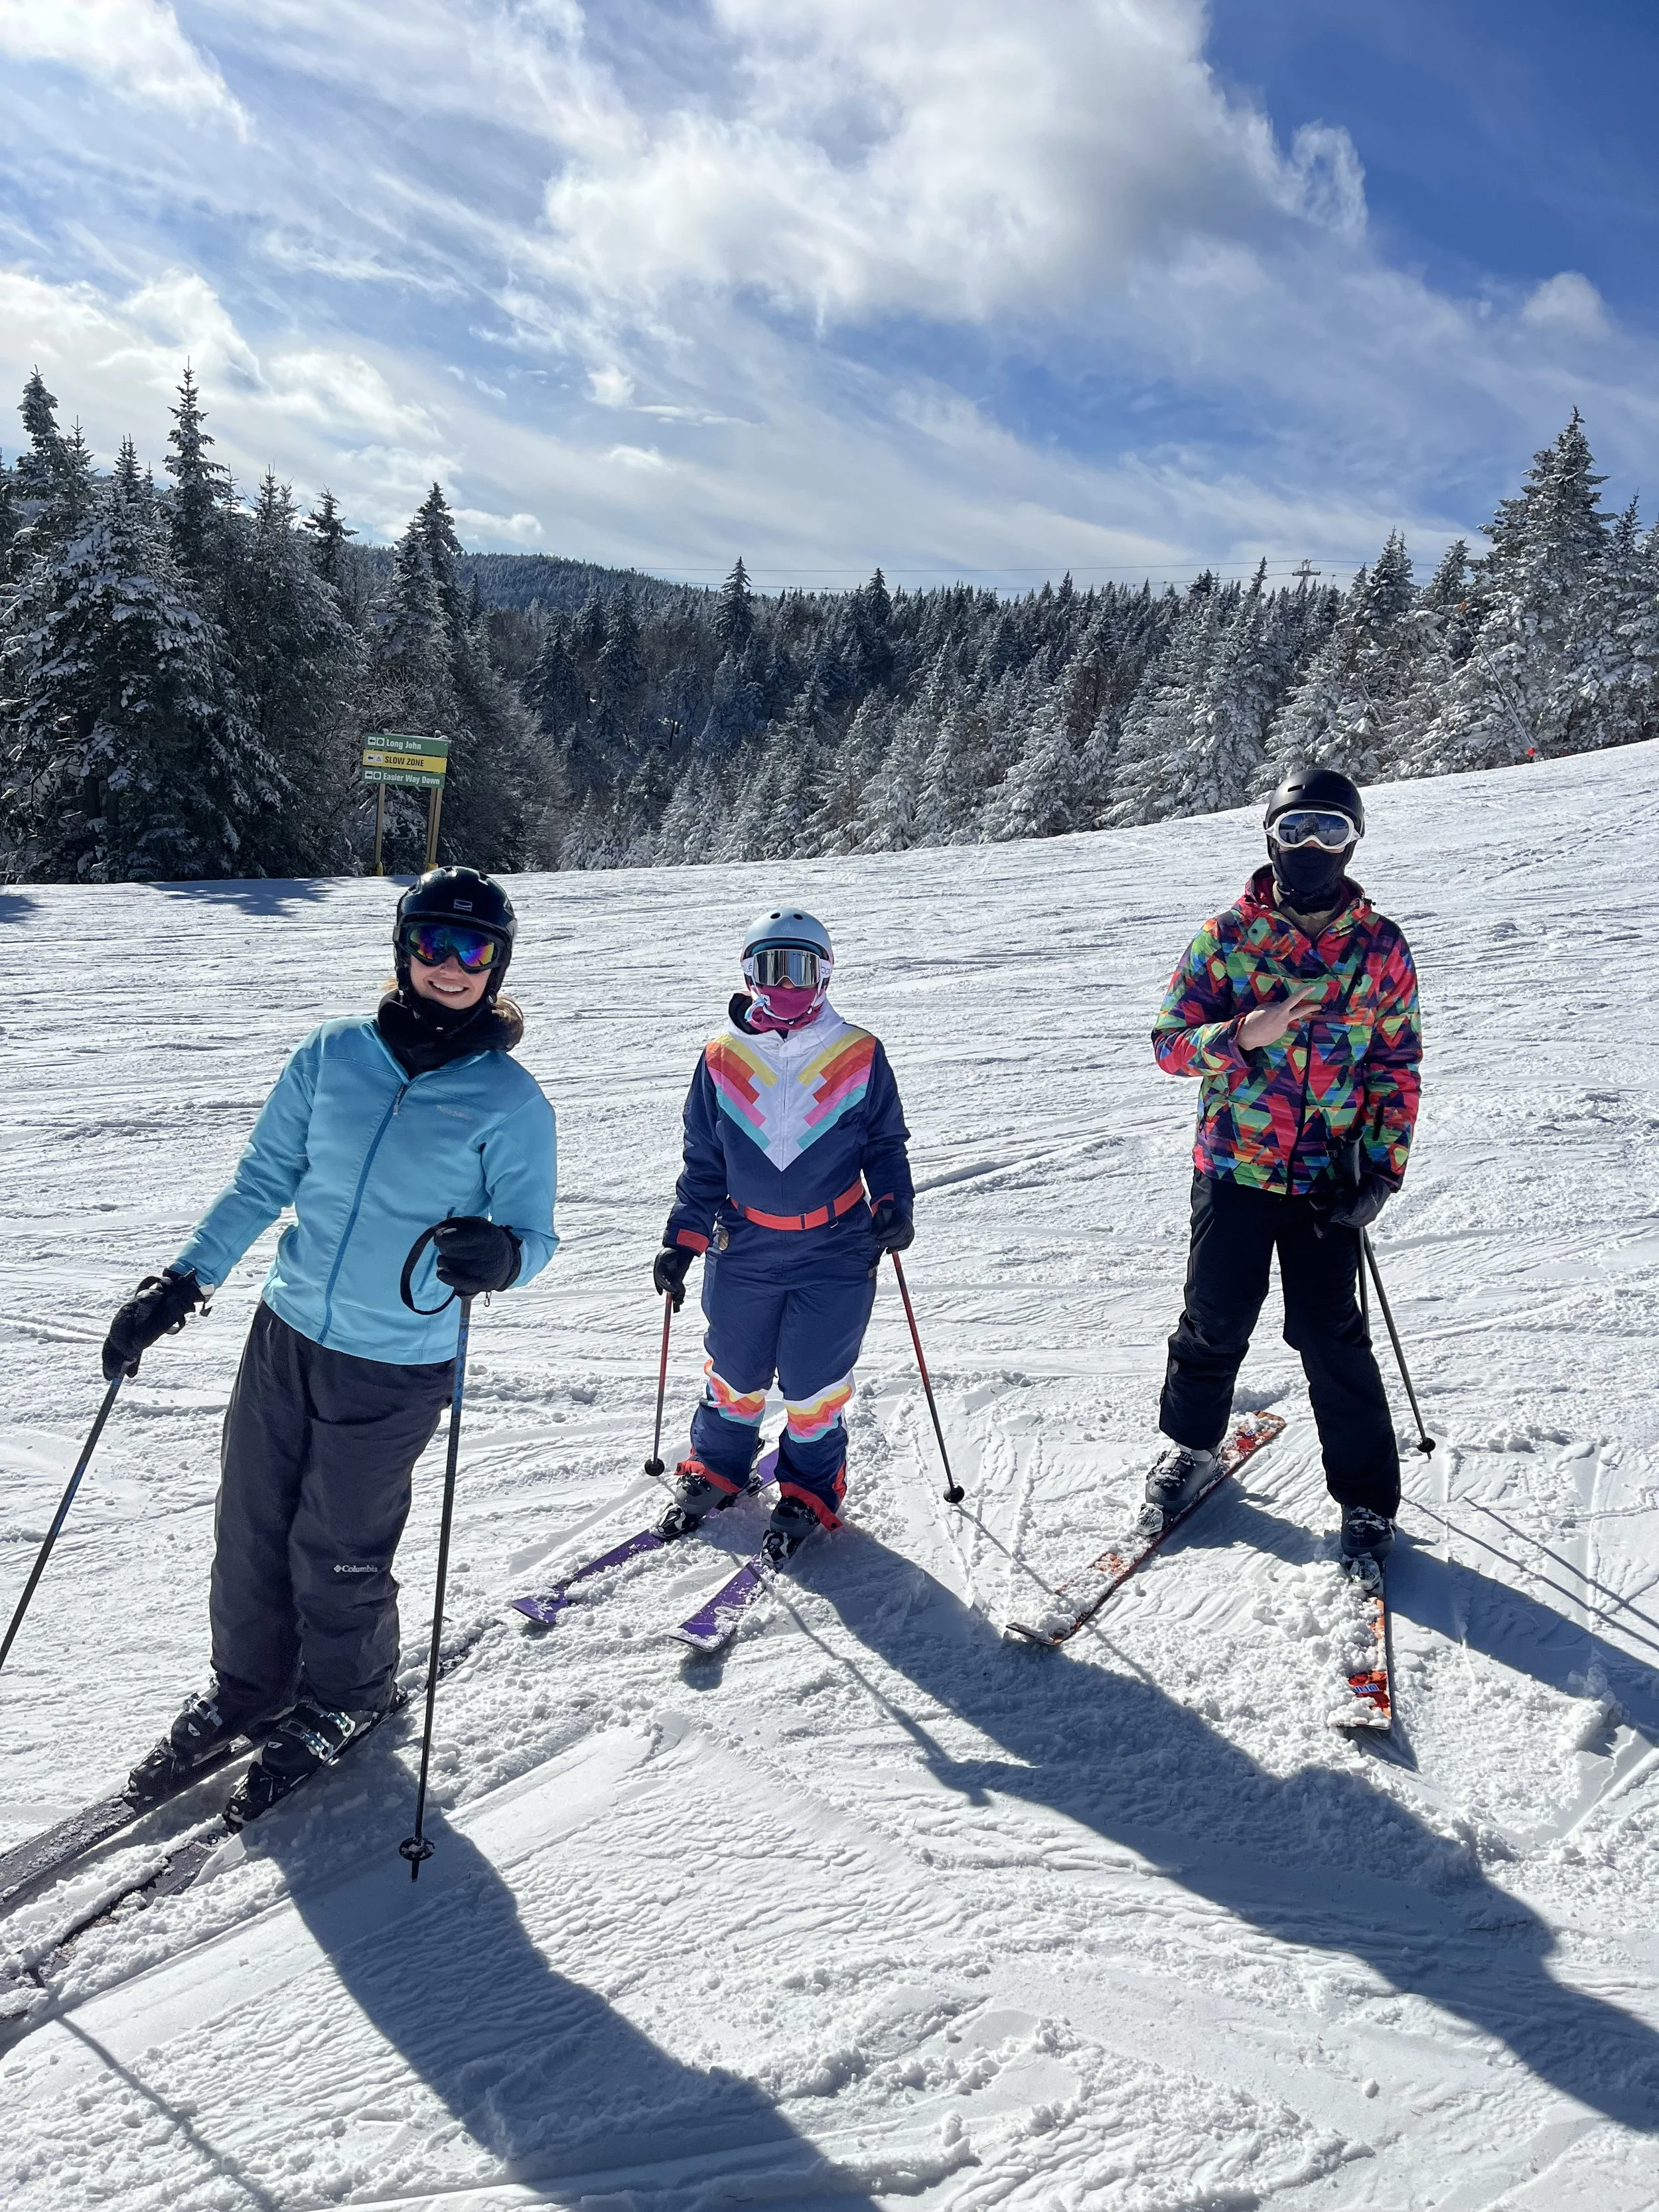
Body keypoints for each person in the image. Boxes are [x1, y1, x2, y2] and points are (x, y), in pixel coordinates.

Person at [104, 867, 557, 1825]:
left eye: (472, 950)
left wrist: (503, 1253)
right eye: (432, 942)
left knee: (337, 1544)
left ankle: (348, 1695)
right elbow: (265, 1176)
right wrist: (183, 1281)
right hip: (287, 1331)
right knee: (251, 1525)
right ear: (403, 949)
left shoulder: (511, 1104)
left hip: (397, 1358)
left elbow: (536, 1235)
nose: (450, 965)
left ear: (497, 965)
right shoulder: (332, 1055)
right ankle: (248, 1688)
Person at [1145, 767, 1422, 1564]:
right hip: (1233, 1168)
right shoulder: (1225, 937)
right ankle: (1191, 1449)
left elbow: (1396, 1064)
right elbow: (1167, 1045)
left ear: (1354, 841)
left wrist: (1381, 1171)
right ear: (1268, 835)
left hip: (1326, 1181)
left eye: (1330, 832)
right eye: (1296, 829)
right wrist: (1241, 1034)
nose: (1311, 847)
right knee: (1213, 1321)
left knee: (1330, 1336)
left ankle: (1367, 1499)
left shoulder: (1379, 948)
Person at [651, 907, 914, 1564]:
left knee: (811, 1381)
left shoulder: (858, 1052)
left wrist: (892, 1201)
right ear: (747, 974)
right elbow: (703, 1160)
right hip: (744, 1243)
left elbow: (884, 1142)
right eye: (771, 967)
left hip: (836, 1245)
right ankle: (716, 1467)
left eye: (801, 967)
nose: (786, 983)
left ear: (825, 974)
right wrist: (682, 1237)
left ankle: (810, 1487)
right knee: (734, 1370)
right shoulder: (720, 1058)